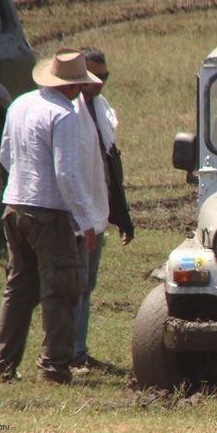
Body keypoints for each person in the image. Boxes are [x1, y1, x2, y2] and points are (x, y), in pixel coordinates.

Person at [0, 49, 102, 384]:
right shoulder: (63, 114)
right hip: (48, 214)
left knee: (19, 288)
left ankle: (1, 365)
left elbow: (5, 154)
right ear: (74, 86)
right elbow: (66, 173)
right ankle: (55, 367)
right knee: (61, 289)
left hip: (14, 207)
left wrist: (24, 182)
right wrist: (86, 221)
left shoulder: (20, 104)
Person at [70, 47, 134, 373]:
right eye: (93, 76)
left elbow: (111, 167)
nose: (98, 83)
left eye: (104, 77)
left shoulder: (101, 108)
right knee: (75, 284)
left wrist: (120, 217)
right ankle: (67, 354)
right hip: (75, 215)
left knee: (87, 284)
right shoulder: (69, 112)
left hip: (95, 211)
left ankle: (77, 351)